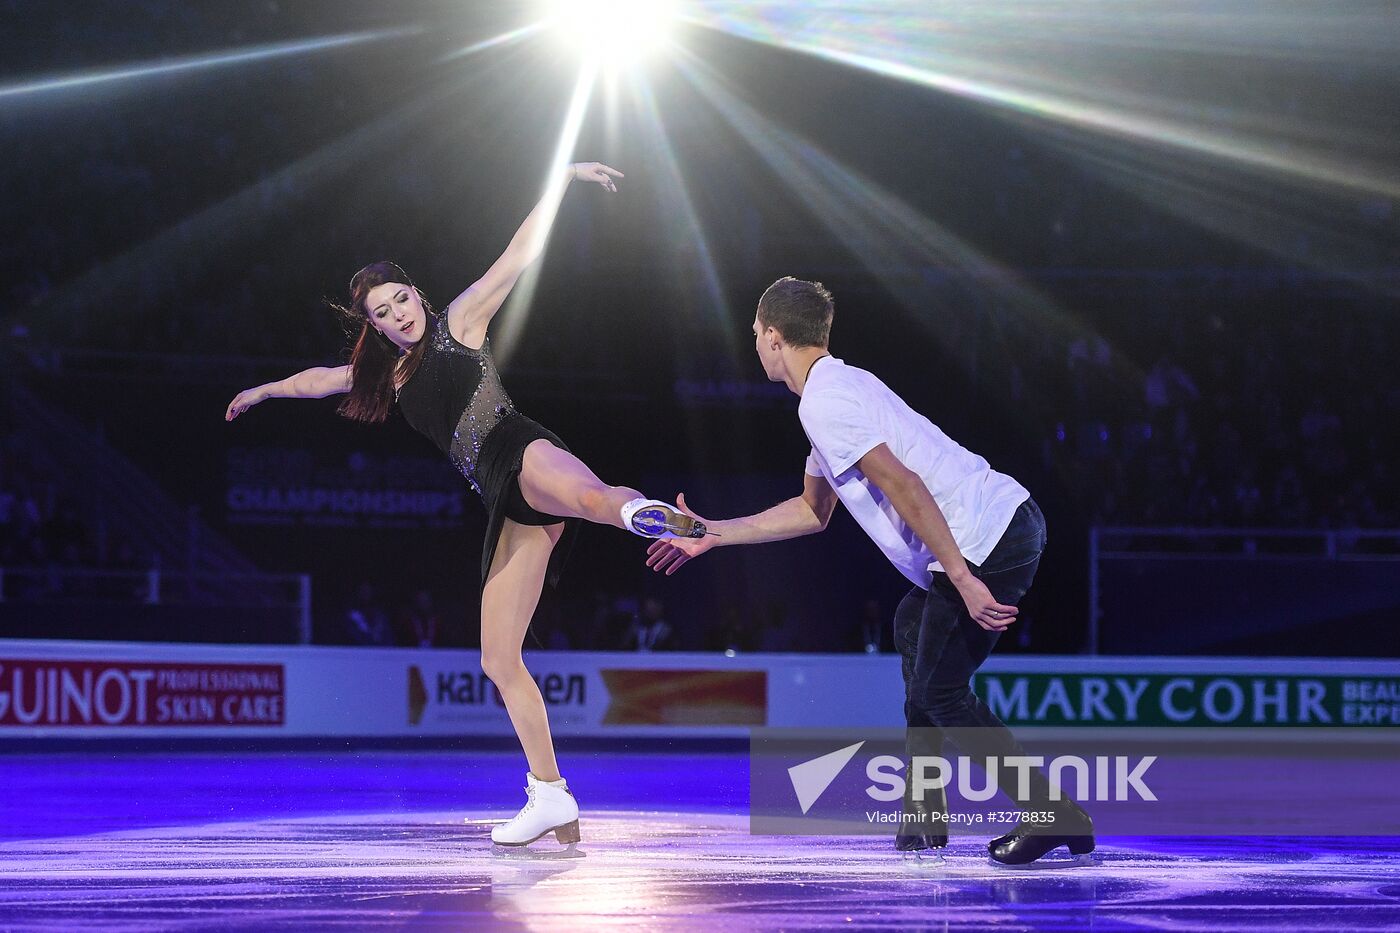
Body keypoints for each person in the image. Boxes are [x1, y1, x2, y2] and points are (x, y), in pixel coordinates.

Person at [225, 161, 707, 848]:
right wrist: (267, 390)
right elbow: (317, 380)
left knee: (595, 497)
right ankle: (550, 795)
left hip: (519, 447)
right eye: (382, 311)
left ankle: (650, 515)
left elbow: (519, 255)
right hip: (502, 500)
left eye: (400, 297)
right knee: (497, 657)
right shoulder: (388, 375)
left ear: (416, 292)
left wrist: (562, 180)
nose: (397, 312)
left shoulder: (461, 320)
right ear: (375, 325)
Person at [645, 277, 1093, 865]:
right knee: (913, 635)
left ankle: (1055, 815)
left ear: (774, 337)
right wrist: (714, 533)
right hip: (995, 526)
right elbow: (812, 510)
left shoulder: (825, 403)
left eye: (755, 334)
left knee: (940, 687)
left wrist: (959, 575)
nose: (754, 344)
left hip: (989, 535)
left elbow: (903, 485)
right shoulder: (837, 392)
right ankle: (924, 821)